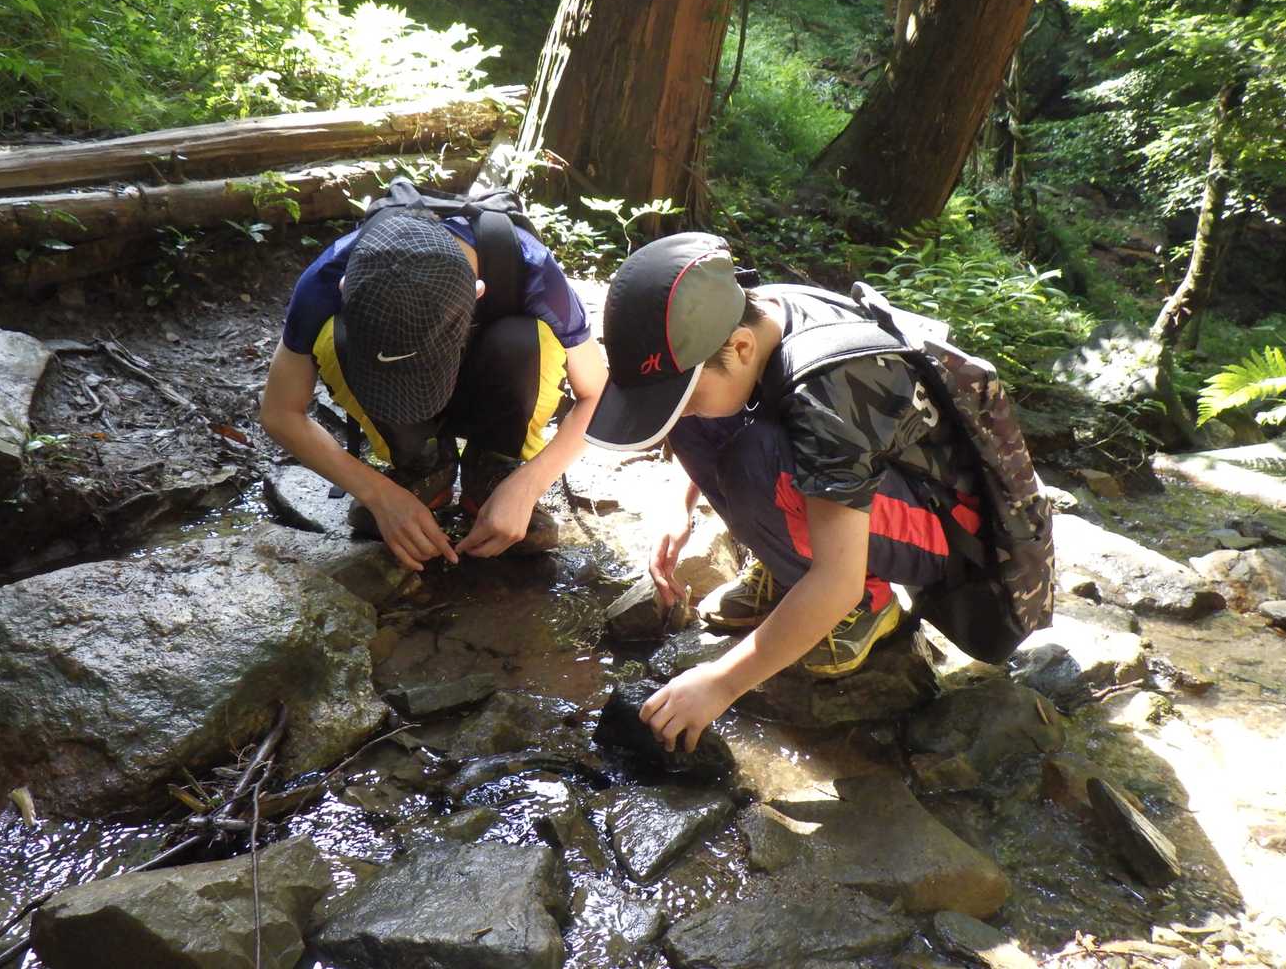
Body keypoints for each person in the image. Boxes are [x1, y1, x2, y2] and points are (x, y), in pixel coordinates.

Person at [585, 233, 983, 753]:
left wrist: (721, 682)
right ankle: (786, 565)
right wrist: (679, 508)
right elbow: (704, 407)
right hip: (868, 478)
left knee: (756, 460)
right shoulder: (751, 315)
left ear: (741, 348)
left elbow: (836, 580)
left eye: (690, 393)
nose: (685, 407)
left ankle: (871, 604)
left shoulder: (829, 393)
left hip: (945, 525)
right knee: (695, 419)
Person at [261, 207, 607, 570]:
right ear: (346, 289)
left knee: (527, 340)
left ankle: (494, 467)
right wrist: (377, 493)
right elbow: (279, 412)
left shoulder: (530, 267)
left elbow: (597, 396)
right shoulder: (328, 275)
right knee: (336, 337)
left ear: (477, 293)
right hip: (400, 392)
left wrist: (528, 485)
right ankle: (423, 465)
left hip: (494, 374)